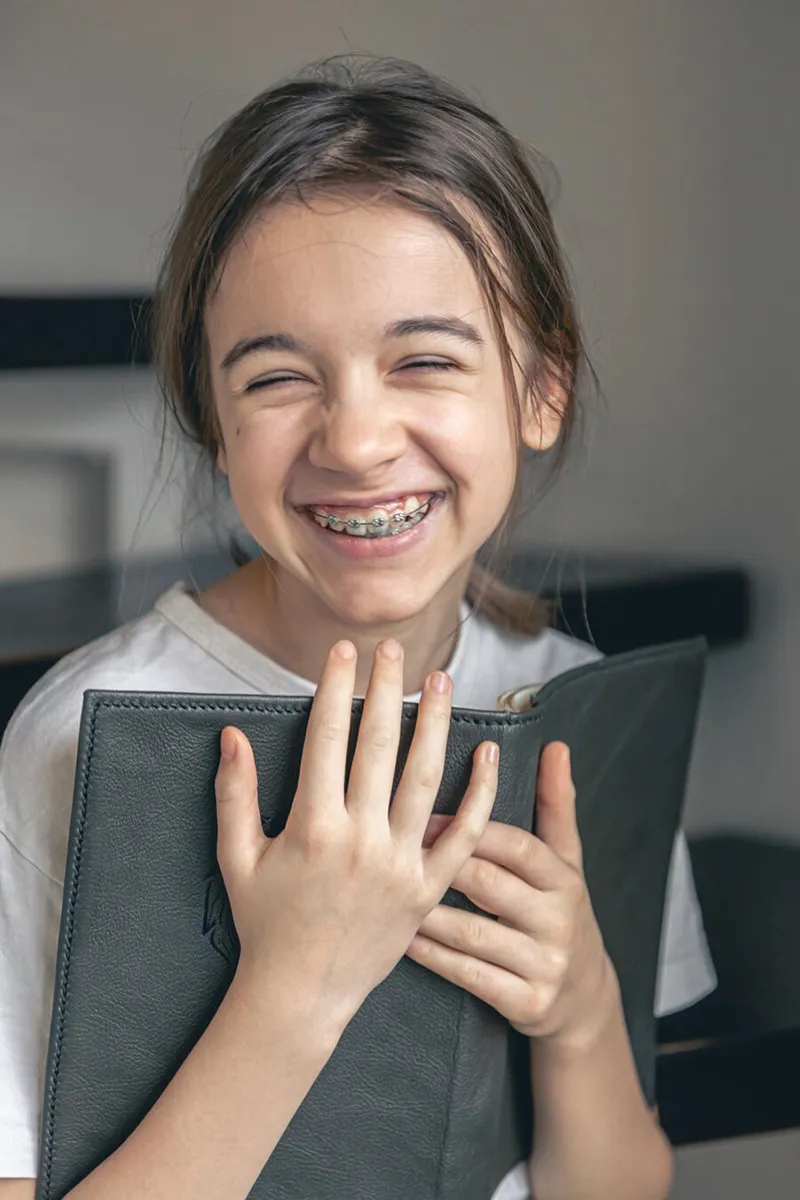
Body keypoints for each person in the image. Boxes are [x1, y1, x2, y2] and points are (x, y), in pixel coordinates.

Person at [0, 56, 716, 1200]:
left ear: (540, 389)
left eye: (423, 360)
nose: (357, 437)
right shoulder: (72, 741)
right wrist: (296, 989)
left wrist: (580, 1007)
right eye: (277, 378)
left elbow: (619, 1183)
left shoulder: (576, 712)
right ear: (214, 425)